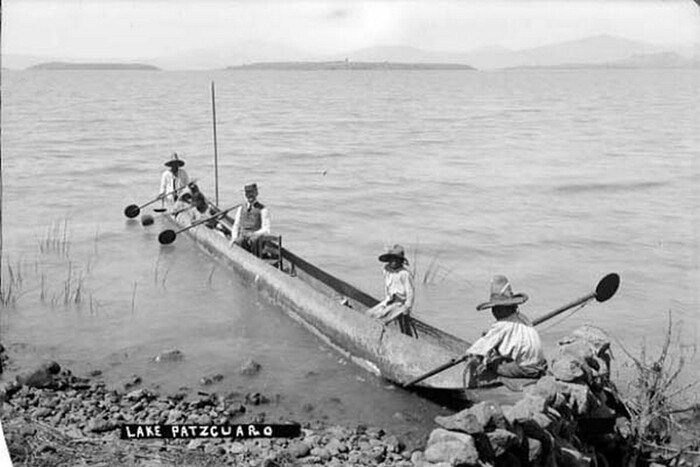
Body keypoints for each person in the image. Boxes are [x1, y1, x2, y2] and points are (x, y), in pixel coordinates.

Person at [463, 275, 546, 388]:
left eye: (497, 309)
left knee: (489, 363)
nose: (494, 312)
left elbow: (480, 348)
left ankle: (475, 387)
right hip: (540, 365)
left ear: (505, 309)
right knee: (499, 354)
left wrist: (470, 355)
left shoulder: (502, 326)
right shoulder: (522, 318)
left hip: (525, 369)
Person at [366, 244, 415, 325]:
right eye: (392, 259)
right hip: (389, 300)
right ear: (389, 260)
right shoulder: (387, 269)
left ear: (401, 261)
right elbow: (388, 286)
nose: (394, 262)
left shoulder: (404, 274)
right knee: (369, 313)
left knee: (382, 319)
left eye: (397, 260)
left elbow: (410, 292)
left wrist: (407, 307)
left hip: (400, 303)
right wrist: (386, 302)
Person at [229, 183, 270, 252]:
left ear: (256, 193)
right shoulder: (241, 208)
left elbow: (266, 229)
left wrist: (254, 234)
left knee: (254, 241)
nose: (250, 195)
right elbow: (236, 225)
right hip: (243, 237)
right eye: (248, 193)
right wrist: (234, 237)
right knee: (239, 241)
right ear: (245, 195)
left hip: (255, 238)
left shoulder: (263, 209)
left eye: (252, 192)